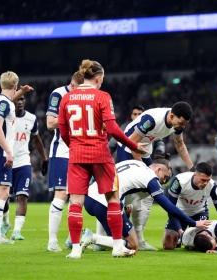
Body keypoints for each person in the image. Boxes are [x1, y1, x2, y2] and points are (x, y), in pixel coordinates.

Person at [58, 59, 148, 259]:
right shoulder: (103, 96)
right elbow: (114, 129)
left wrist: (75, 145)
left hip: (77, 155)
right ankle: (117, 246)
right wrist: (134, 145)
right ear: (98, 78)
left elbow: (64, 132)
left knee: (75, 203)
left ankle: (75, 250)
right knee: (113, 199)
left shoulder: (67, 98)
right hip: (100, 154)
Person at [80, 158, 211, 252]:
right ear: (158, 170)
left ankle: (99, 243)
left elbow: (121, 180)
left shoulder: (136, 163)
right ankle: (92, 237)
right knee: (132, 245)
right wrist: (193, 223)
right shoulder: (150, 178)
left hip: (90, 197)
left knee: (117, 238)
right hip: (106, 203)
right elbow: (168, 206)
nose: (164, 181)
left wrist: (124, 205)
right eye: (164, 177)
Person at [115, 102, 194, 251]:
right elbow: (132, 143)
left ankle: (140, 238)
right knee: (121, 191)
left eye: (185, 124)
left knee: (150, 193)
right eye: (181, 123)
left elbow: (180, 146)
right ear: (172, 116)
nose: (182, 127)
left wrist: (192, 168)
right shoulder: (152, 119)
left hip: (144, 149)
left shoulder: (176, 124)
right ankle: (113, 235)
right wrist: (143, 171)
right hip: (128, 147)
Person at [0, 71, 33, 244]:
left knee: (3, 192)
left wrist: (21, 92)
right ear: (14, 85)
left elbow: (8, 103)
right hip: (0, 152)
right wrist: (8, 151)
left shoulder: (2, 101)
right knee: (2, 192)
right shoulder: (3, 103)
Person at [46, 71, 84, 252]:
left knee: (77, 196)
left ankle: (71, 238)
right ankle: (52, 241)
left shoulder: (85, 96)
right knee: (61, 195)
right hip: (61, 151)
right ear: (74, 85)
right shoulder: (59, 94)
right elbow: (50, 122)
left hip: (80, 152)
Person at [1, 96, 48, 241]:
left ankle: (17, 231)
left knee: (22, 197)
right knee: (3, 199)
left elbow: (36, 139)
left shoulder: (31, 118)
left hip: (23, 163)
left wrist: (44, 159)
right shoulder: (4, 118)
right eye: (18, 99)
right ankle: (5, 222)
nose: (20, 102)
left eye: (23, 99)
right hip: (6, 162)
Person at [163, 162, 217, 250]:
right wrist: (180, 231)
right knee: (168, 246)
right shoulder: (179, 181)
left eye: (208, 180)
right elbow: (170, 208)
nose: (205, 183)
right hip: (180, 213)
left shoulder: (213, 186)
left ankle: (213, 240)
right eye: (203, 180)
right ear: (195, 175)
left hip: (199, 213)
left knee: (200, 243)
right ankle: (181, 240)